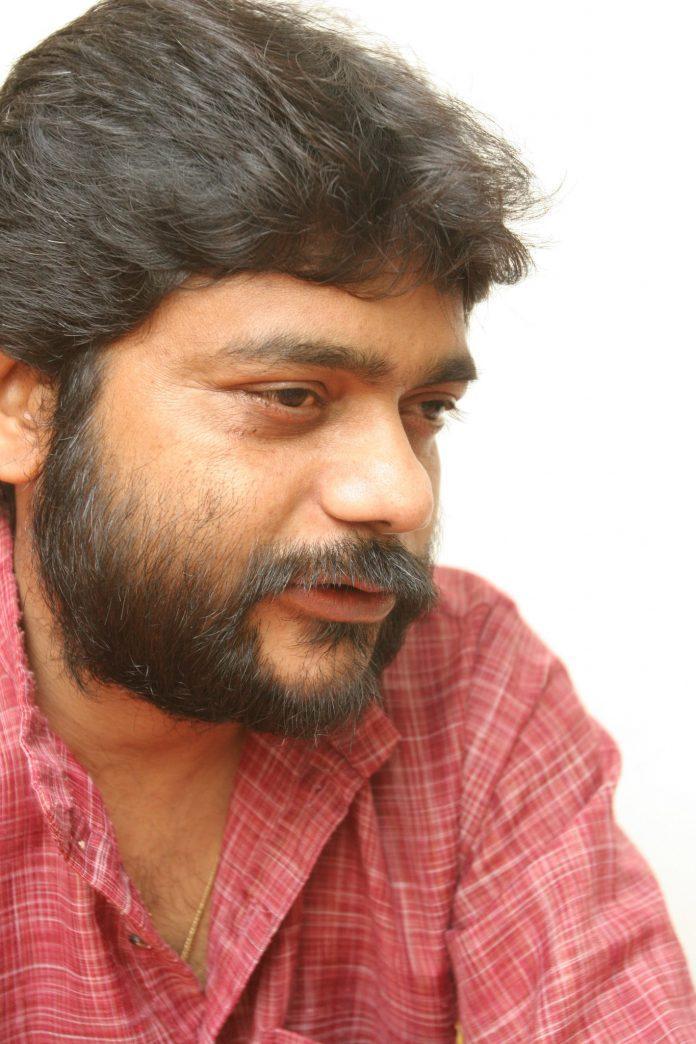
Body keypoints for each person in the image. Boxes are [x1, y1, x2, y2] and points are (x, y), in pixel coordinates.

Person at [0, 0, 693, 1039]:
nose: (401, 494)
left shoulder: (469, 686)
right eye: (292, 396)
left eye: (427, 411)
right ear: (24, 408)